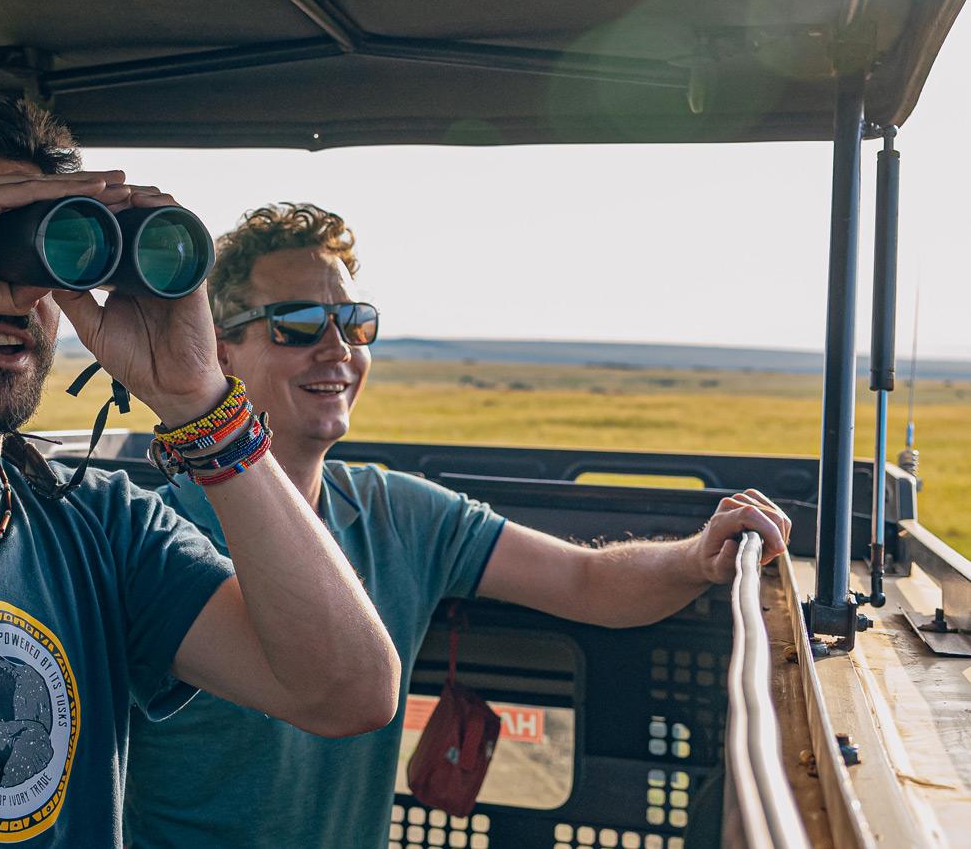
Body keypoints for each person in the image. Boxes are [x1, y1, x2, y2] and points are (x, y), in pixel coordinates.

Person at [0, 82, 399, 846]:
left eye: (31, 251)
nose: (9, 296)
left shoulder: (100, 524)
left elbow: (348, 689)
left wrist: (199, 400)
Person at [123, 203, 793, 849]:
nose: (337, 349)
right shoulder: (155, 536)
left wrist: (694, 558)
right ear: (220, 352)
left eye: (355, 322)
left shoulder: (397, 511)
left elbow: (585, 581)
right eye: (296, 324)